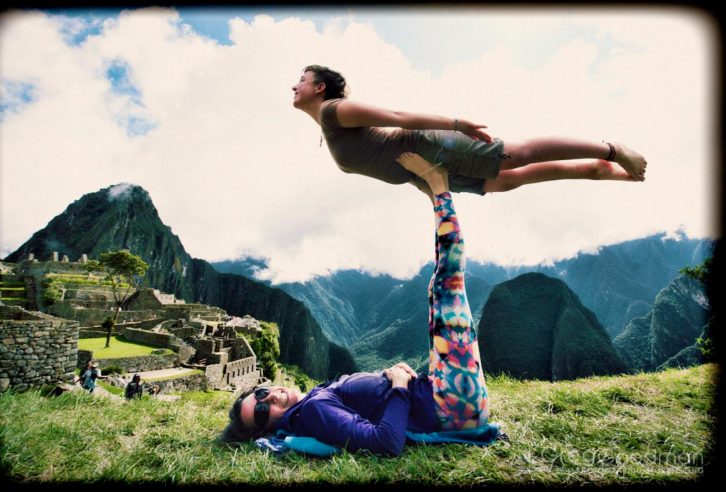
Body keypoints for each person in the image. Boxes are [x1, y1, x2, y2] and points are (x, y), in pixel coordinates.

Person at [221, 154, 496, 457]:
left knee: (438, 288)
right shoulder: (312, 411)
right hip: (451, 401)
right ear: (267, 428)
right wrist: (400, 386)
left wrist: (395, 377)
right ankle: (439, 187)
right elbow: (385, 443)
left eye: (261, 393)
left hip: (446, 398)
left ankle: (437, 194)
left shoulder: (309, 405)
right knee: (448, 282)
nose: (271, 398)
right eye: (262, 412)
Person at [292, 65, 647, 196]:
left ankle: (611, 150)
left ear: (321, 88)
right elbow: (384, 160)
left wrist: (457, 124)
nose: (295, 86)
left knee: (515, 155)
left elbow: (397, 116)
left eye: (302, 80)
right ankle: (593, 170)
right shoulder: (329, 126)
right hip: (426, 172)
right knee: (504, 181)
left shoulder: (334, 111)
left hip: (429, 147)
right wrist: (430, 192)